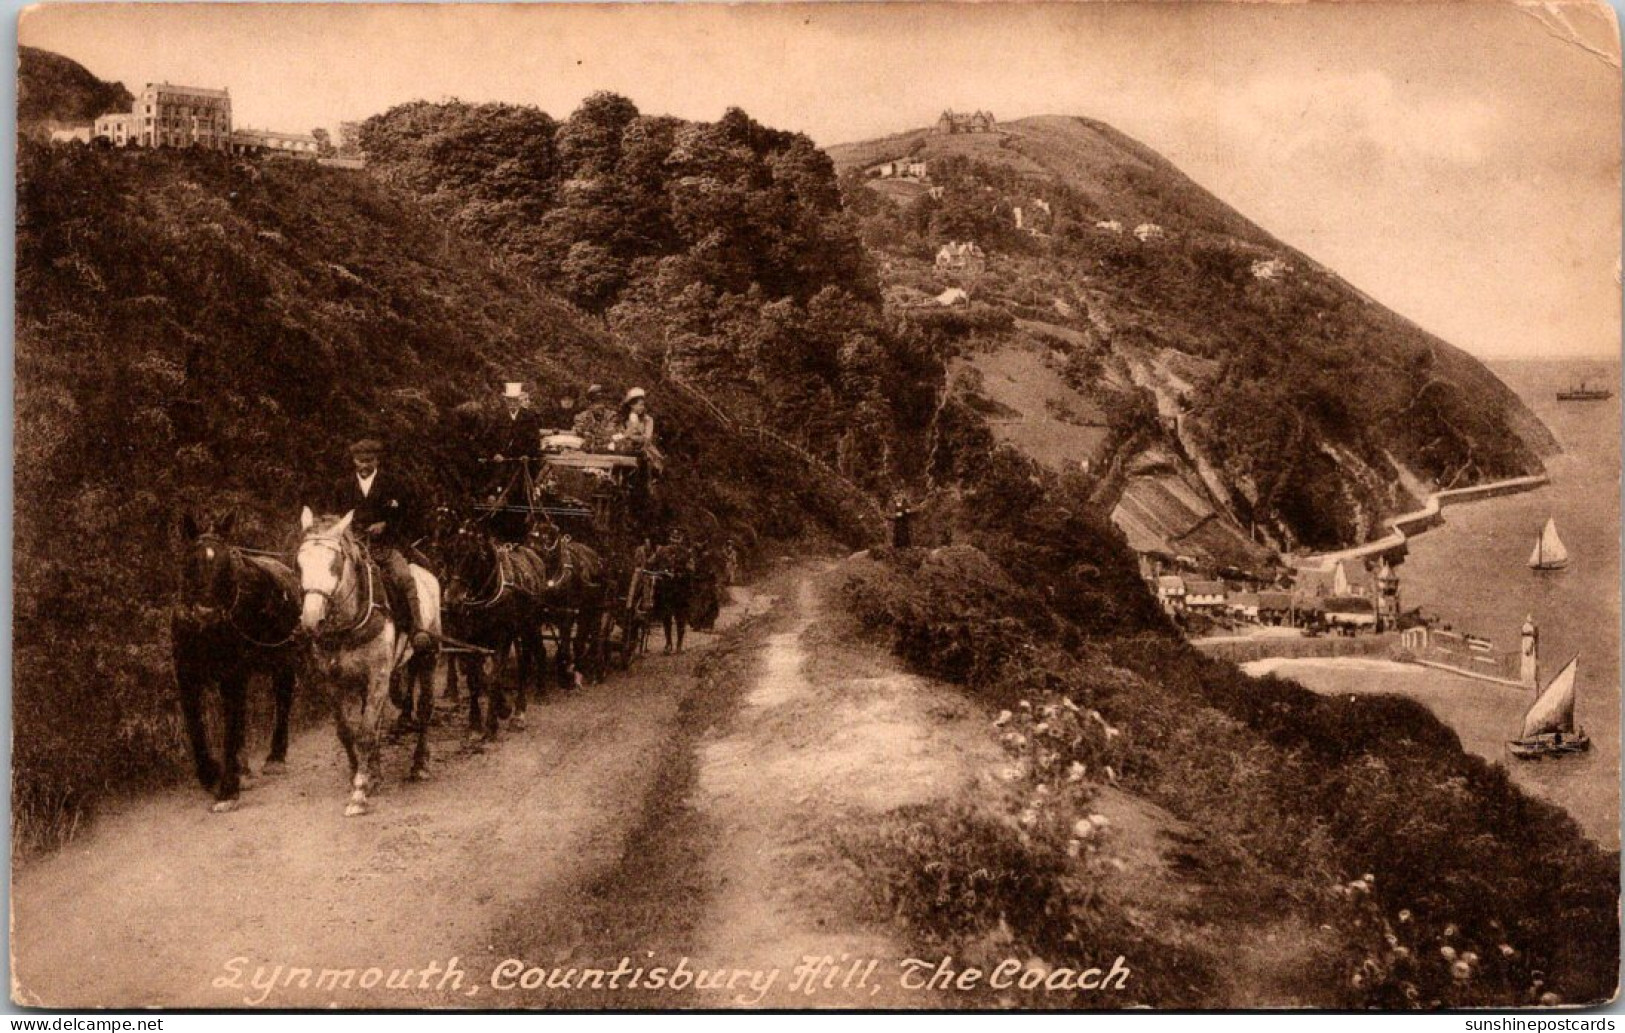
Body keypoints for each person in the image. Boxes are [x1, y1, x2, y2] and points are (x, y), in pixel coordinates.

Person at [329, 439, 431, 649]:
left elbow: (407, 516)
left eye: (369, 461)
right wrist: (346, 534)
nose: (364, 465)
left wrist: (386, 524)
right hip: (352, 545)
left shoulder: (394, 484)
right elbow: (336, 517)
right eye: (360, 461)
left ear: (377, 460)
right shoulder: (342, 486)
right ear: (353, 461)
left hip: (385, 547)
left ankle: (417, 629)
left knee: (404, 578)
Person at [571, 384, 617, 452]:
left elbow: (611, 432)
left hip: (607, 450)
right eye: (596, 402)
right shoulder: (581, 417)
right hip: (584, 451)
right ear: (590, 403)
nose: (600, 405)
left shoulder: (612, 415)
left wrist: (590, 433)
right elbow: (578, 431)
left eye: (602, 402)